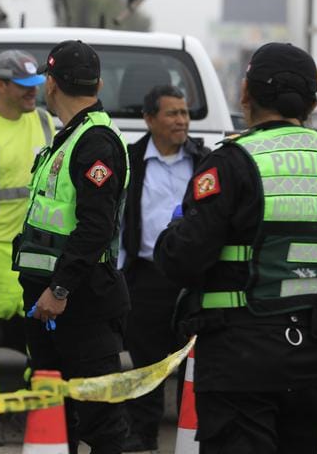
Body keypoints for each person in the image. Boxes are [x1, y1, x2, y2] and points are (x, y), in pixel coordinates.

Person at [154, 43, 317, 453]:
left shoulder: (233, 161)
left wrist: (176, 228)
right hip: (316, 352)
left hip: (241, 355)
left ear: (246, 93)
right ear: (309, 100)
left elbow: (183, 258)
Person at [13, 40, 130, 453]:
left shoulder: (95, 141)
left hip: (78, 301)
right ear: (96, 82)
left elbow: (95, 227)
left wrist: (59, 288)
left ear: (50, 84)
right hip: (53, 300)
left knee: (99, 416)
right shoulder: (71, 136)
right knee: (57, 413)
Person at [0, 49, 54, 446]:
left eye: (36, 86)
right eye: (23, 86)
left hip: (35, 249)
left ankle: (37, 412)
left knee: (42, 334)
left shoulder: (48, 123)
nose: (32, 94)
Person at [119, 85, 208, 452]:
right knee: (147, 361)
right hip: (147, 274)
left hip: (193, 276)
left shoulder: (204, 160)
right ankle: (144, 434)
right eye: (172, 113)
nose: (182, 120)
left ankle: (196, 435)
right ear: (149, 119)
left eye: (185, 113)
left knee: (195, 360)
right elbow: (120, 220)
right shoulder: (131, 158)